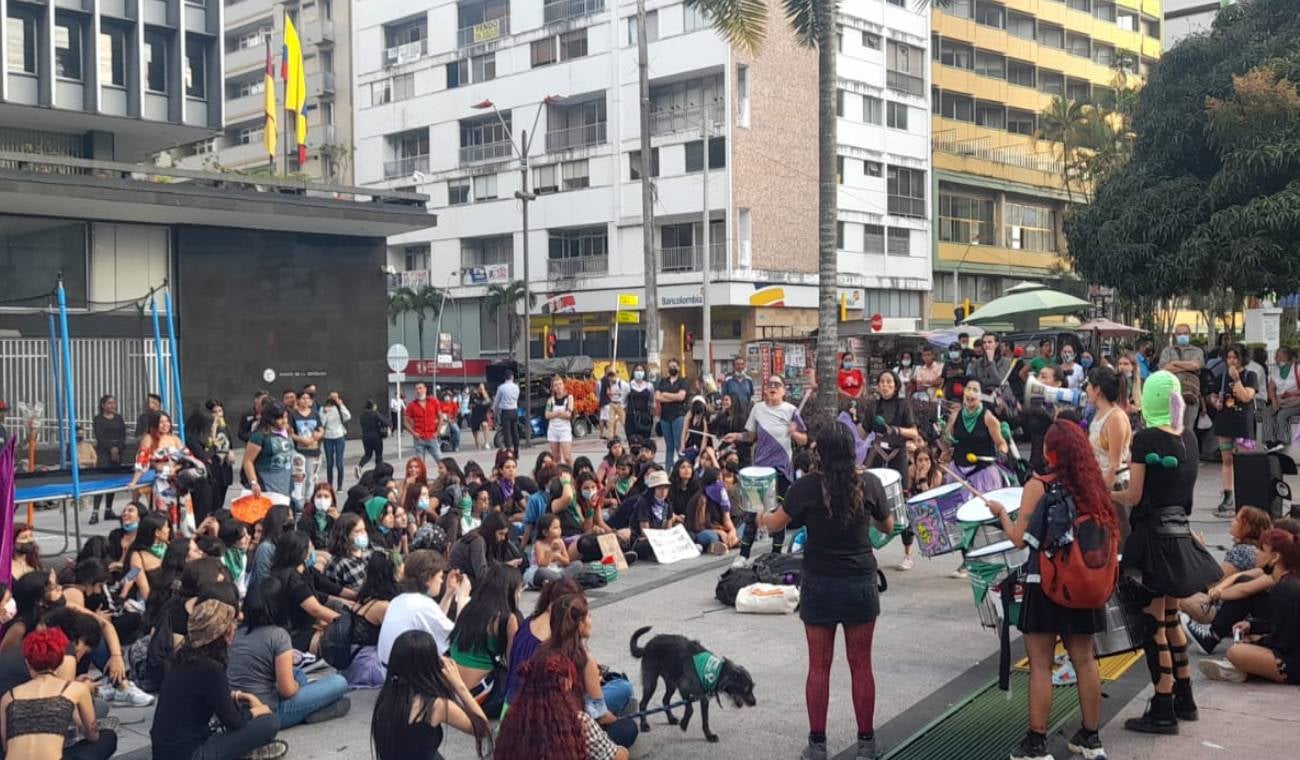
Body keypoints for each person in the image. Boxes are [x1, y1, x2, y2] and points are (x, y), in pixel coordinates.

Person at [756, 423, 893, 760]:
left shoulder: (805, 488)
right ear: (852, 451)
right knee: (861, 665)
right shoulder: (870, 483)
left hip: (819, 582)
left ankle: (817, 744)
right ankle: (866, 743)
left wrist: (760, 513)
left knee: (819, 667)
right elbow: (887, 526)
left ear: (820, 453)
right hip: (860, 582)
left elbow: (774, 524)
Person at [985, 420, 1117, 760]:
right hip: (1085, 585)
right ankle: (1090, 737)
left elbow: (1018, 539)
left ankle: (1036, 743)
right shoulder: (1094, 489)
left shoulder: (1039, 486)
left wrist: (1001, 514)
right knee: (1085, 660)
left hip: (1045, 585)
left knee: (1041, 664)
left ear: (1051, 451)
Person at [1112, 371, 1224, 735]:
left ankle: (1162, 707)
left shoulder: (1146, 437)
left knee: (1153, 626)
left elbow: (1134, 495)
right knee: (1171, 620)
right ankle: (1184, 698)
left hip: (1151, 542)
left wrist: (1106, 491)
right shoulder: (1189, 436)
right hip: (1178, 538)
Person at [150, 598, 282, 760]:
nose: (235, 628)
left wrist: (238, 696)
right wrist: (257, 710)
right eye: (232, 625)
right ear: (224, 634)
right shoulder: (210, 667)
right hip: (191, 755)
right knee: (269, 722)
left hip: (164, 752)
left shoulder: (181, 658)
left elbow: (207, 697)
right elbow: (234, 722)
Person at [229, 577, 350, 728]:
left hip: (237, 708)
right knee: (339, 682)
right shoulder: (278, 635)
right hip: (270, 711)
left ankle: (314, 707)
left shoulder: (236, 633)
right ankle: (310, 712)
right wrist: (297, 685)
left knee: (297, 672)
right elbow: (287, 690)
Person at [1198, 527, 1300, 684]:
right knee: (1242, 649)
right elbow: (1278, 622)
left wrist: (1255, 641)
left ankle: (1244, 669)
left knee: (1235, 652)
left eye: (1261, 550)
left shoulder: (1285, 589)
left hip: (1292, 663)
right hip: (1291, 653)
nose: (1255, 553)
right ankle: (1242, 668)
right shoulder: (1286, 583)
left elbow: (1282, 643)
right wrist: (1251, 626)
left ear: (1275, 557)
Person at [372, 629, 492, 760]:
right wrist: (459, 685)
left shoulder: (386, 698)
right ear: (430, 665)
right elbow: (483, 729)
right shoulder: (434, 705)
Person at [724, 374, 807, 562]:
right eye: (769, 384)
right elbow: (750, 436)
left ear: (784, 390)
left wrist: (794, 433)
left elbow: (805, 440)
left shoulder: (791, 410)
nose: (772, 387)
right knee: (752, 514)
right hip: (759, 470)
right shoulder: (758, 409)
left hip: (780, 471)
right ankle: (743, 556)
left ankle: (776, 555)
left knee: (777, 513)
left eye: (777, 384)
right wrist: (736, 436)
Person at [0, 628, 116, 760]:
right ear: (61, 661)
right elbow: (92, 735)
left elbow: (6, 745)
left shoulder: (9, 697)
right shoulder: (75, 689)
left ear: (27, 663)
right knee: (108, 737)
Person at [540, 594, 638, 748]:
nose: (591, 621)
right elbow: (600, 715)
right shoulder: (584, 659)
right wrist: (614, 720)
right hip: (573, 727)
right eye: (589, 617)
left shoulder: (543, 650)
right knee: (628, 727)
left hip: (544, 723)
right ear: (580, 624)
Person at [496, 649, 629, 760]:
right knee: (627, 730)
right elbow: (618, 757)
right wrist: (622, 750)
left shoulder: (512, 716)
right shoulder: (579, 722)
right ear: (566, 683)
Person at [448, 565, 521, 716]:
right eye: (519, 590)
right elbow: (513, 661)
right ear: (510, 590)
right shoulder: (507, 618)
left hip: (452, 691)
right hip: (477, 697)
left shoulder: (470, 607)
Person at [377, 550, 464, 665]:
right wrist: (462, 596)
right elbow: (457, 636)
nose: (442, 581)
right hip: (406, 677)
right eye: (440, 577)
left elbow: (435, 625)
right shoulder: (422, 605)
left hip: (389, 671)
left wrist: (448, 593)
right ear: (428, 579)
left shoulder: (399, 600)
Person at [1210, 344, 1258, 515]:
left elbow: (1246, 397)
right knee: (1227, 459)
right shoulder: (1222, 376)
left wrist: (1237, 380)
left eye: (1235, 357)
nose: (1232, 361)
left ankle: (1247, 496)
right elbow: (1213, 393)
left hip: (1243, 421)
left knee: (1245, 461)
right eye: (1229, 357)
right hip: (1225, 421)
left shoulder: (1250, 375)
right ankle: (1228, 494)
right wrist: (1214, 400)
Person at [946, 379, 1010, 494]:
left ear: (981, 396)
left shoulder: (989, 418)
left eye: (975, 390)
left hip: (983, 471)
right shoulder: (954, 416)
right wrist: (942, 436)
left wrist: (1002, 453)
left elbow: (1001, 443)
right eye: (968, 389)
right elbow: (947, 442)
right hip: (958, 471)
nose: (971, 392)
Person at [1159, 324, 1206, 455]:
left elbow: (1196, 365)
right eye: (1179, 334)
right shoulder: (1167, 351)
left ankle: (1188, 455)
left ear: (1189, 334)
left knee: (1188, 427)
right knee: (1172, 426)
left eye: (1185, 333)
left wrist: (1174, 364)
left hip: (1191, 395)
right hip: (1171, 394)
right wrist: (1187, 367)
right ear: (1175, 336)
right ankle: (1173, 453)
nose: (1182, 336)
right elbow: (1164, 368)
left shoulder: (1197, 351)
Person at [1086, 366, 1133, 492]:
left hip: (1114, 485)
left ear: (1097, 389)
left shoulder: (1115, 418)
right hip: (1098, 481)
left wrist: (1104, 491)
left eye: (1089, 385)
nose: (1087, 389)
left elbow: (1114, 464)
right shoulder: (1099, 413)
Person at [242, 404, 295, 504]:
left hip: (285, 478)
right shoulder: (259, 436)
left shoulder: (287, 431)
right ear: (270, 419)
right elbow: (248, 461)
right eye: (279, 418)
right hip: (267, 479)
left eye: (285, 417)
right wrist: (254, 482)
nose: (284, 421)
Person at [450, 512, 522, 584]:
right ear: (491, 531)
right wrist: (505, 567)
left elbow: (489, 563)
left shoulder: (483, 538)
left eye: (505, 534)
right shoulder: (478, 541)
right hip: (459, 582)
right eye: (500, 533)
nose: (503, 538)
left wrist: (506, 565)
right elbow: (482, 575)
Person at [91, 394, 127, 524]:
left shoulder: (118, 418)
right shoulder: (98, 419)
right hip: (104, 452)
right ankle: (95, 511)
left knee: (113, 481)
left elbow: (123, 435)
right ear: (103, 405)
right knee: (102, 481)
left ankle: (108, 509)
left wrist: (118, 448)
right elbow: (99, 436)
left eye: (114, 403)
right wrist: (111, 448)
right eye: (109, 403)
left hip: (118, 452)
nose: (112, 405)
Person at [688, 468, 740, 554]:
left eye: (721, 479)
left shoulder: (722, 494)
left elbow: (726, 519)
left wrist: (732, 531)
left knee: (738, 531)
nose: (720, 482)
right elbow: (699, 526)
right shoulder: (702, 498)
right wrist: (719, 532)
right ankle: (722, 544)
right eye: (717, 479)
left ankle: (721, 545)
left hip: (720, 527)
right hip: (702, 531)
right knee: (710, 537)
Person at [1261, 346, 1300, 449]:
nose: (1275, 359)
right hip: (1281, 402)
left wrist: (1291, 394)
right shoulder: (1276, 371)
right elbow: (1271, 388)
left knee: (1282, 415)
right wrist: (1274, 401)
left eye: (1278, 356)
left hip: (1295, 403)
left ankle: (1282, 440)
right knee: (1267, 412)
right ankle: (1269, 441)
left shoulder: (1297, 369)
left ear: (1286, 357)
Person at [655, 360, 687, 469]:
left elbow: (681, 397)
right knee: (669, 446)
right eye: (670, 366)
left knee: (679, 444)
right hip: (665, 417)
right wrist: (674, 397)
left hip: (678, 416)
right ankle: (668, 471)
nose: (672, 368)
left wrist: (665, 395)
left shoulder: (682, 381)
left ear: (678, 368)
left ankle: (683, 467)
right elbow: (658, 397)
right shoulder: (663, 381)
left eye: (674, 366)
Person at [320, 392, 351, 491]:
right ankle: (330, 485)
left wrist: (341, 404)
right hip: (328, 437)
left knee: (339, 462)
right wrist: (325, 413)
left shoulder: (339, 407)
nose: (333, 399)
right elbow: (322, 423)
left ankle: (340, 485)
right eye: (332, 397)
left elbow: (347, 417)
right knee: (329, 462)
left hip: (339, 436)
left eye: (336, 397)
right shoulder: (323, 408)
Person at [406, 382, 442, 465]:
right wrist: (413, 433)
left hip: (432, 436)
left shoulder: (433, 402)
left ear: (425, 389)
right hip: (419, 438)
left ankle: (445, 476)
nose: (418, 391)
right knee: (420, 464)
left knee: (441, 461)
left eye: (420, 388)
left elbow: (441, 417)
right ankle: (422, 478)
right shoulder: (412, 405)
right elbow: (405, 421)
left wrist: (438, 431)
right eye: (416, 389)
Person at [546, 376, 576, 466]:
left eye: (560, 384)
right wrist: (559, 412)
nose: (558, 387)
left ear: (563, 385)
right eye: (556, 385)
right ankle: (558, 475)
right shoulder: (550, 400)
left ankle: (573, 474)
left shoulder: (569, 398)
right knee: (556, 457)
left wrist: (555, 414)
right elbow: (547, 415)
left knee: (567, 457)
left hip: (564, 430)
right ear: (553, 388)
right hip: (553, 430)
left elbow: (568, 414)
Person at [625, 364, 655, 443]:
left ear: (644, 372)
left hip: (644, 417)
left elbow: (652, 402)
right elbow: (623, 403)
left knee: (644, 442)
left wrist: (652, 416)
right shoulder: (628, 385)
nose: (639, 372)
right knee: (633, 442)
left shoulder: (649, 386)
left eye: (641, 370)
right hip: (631, 417)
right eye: (637, 370)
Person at [469, 384, 493, 451]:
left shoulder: (485, 395)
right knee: (475, 432)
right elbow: (470, 405)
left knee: (485, 425)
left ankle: (486, 443)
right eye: (480, 387)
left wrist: (483, 391)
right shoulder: (473, 395)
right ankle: (478, 446)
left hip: (482, 414)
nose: (480, 389)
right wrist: (472, 406)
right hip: (475, 415)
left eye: (482, 388)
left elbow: (488, 401)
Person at [438, 389, 462, 453]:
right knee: (441, 432)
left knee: (457, 431)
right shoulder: (440, 404)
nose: (447, 397)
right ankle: (441, 446)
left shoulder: (453, 404)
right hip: (443, 421)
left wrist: (453, 419)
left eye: (449, 396)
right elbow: (438, 414)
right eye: (446, 396)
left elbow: (456, 413)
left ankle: (456, 445)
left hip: (451, 421)